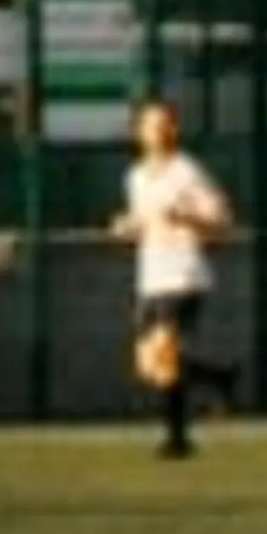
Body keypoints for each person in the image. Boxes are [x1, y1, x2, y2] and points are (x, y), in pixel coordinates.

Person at [108, 99, 239, 458]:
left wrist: (187, 218)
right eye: (153, 124)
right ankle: (218, 378)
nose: (161, 130)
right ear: (140, 132)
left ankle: (176, 439)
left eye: (167, 123)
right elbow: (142, 221)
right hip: (150, 277)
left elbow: (223, 221)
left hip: (184, 275)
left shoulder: (186, 171)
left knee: (165, 354)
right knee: (150, 365)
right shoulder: (134, 176)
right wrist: (127, 227)